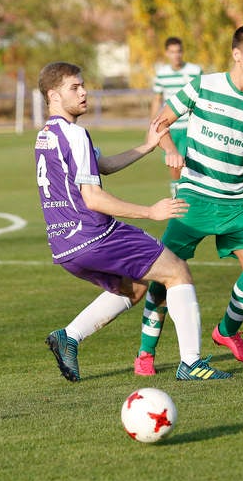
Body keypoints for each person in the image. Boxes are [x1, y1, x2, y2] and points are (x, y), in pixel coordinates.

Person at [134, 24, 243, 376]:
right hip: (194, 198)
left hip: (235, 203)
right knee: (163, 276)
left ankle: (226, 331)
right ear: (237, 54)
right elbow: (160, 123)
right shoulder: (203, 85)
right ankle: (145, 353)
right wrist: (170, 150)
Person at [35, 61, 230, 382]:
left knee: (135, 287)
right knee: (177, 271)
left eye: (83, 85)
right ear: (53, 96)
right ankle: (192, 364)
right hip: (93, 235)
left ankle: (69, 336)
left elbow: (103, 166)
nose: (84, 92)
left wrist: (148, 146)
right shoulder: (75, 134)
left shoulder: (47, 136)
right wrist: (150, 211)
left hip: (64, 247)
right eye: (75, 87)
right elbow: (93, 198)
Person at [150, 37, 203, 197]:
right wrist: (151, 127)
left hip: (191, 127)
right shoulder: (161, 74)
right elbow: (157, 99)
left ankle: (193, 197)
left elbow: (203, 96)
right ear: (167, 53)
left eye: (178, 51)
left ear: (182, 52)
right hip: (170, 128)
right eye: (172, 52)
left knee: (193, 167)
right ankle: (176, 198)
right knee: (174, 167)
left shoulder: (195, 71)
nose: (176, 55)